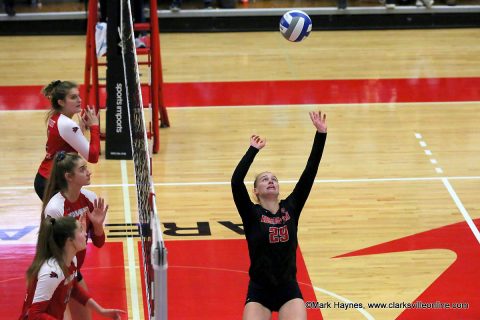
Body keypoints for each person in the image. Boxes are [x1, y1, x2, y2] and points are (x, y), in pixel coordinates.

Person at [231, 111, 327, 320]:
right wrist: (252, 151)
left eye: (273, 178)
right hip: (259, 291)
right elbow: (236, 182)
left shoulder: (291, 207)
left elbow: (310, 171)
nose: (271, 181)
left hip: (288, 290)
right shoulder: (251, 214)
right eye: (264, 179)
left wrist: (321, 135)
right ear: (255, 191)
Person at [42, 151, 108, 320]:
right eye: (82, 169)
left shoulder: (89, 198)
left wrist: (98, 225)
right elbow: (50, 251)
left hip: (73, 272)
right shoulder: (55, 208)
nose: (89, 171)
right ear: (69, 177)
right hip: (54, 275)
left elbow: (99, 243)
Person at [19, 216, 124, 319]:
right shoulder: (52, 272)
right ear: (70, 240)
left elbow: (72, 288)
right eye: (81, 231)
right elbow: (35, 314)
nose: (86, 234)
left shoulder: (71, 261)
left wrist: (101, 311)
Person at [34, 80, 100, 201]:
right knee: (65, 219)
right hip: (53, 183)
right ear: (61, 102)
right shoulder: (67, 124)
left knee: (64, 218)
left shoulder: (56, 117)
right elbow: (93, 156)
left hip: (46, 178)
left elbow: (64, 143)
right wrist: (95, 127)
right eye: (73, 97)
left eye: (78, 96)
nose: (79, 100)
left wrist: (80, 129)